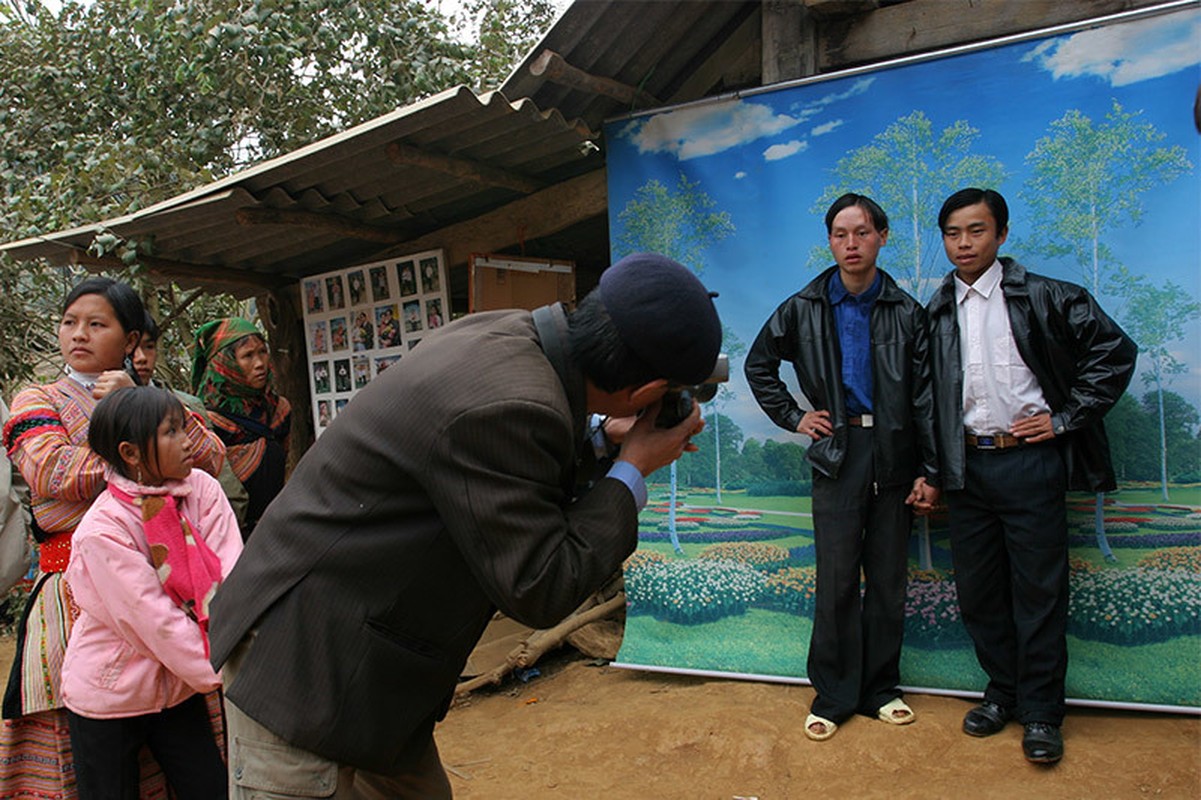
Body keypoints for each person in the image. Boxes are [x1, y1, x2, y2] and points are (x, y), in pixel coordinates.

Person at [207, 252, 722, 798]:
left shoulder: (507, 334)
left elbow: (500, 477)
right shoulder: (512, 404)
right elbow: (540, 583)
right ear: (645, 393)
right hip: (306, 669)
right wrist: (633, 469)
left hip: (372, 666)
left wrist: (601, 442)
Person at [926, 188, 1136, 764]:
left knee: (1039, 595)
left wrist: (1065, 418)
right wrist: (932, 470)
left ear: (1001, 235)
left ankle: (1042, 713)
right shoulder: (938, 310)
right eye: (952, 233)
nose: (963, 243)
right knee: (979, 594)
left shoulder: (1048, 296)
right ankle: (1003, 693)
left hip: (1029, 464)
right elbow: (927, 400)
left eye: (976, 231)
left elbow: (1115, 353)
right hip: (967, 468)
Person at [0, 277, 226, 797]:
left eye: (96, 324)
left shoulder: (152, 397)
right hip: (78, 599)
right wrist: (152, 438)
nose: (77, 334)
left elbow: (212, 457)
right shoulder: (37, 397)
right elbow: (52, 474)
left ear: (129, 341)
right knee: (96, 750)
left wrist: (140, 402)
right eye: (68, 322)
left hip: (170, 589)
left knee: (184, 736)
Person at [745, 194, 938, 742]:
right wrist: (795, 416)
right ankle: (832, 695)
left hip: (896, 455)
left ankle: (881, 689)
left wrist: (929, 469)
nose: (850, 244)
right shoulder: (804, 305)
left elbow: (926, 396)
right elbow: (759, 365)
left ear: (881, 236)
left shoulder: (906, 311)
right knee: (835, 580)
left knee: (887, 581)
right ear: (830, 241)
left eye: (861, 233)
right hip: (838, 454)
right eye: (839, 234)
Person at [62, 386, 242, 798]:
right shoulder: (102, 530)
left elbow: (231, 575)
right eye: (171, 431)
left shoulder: (202, 490)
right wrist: (230, 673)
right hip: (110, 696)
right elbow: (152, 620)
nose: (186, 441)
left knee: (210, 789)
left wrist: (237, 652)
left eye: (183, 428)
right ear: (130, 453)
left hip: (179, 687)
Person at [133, 311, 250, 527]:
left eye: (149, 347)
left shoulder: (188, 405)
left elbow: (228, 487)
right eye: (131, 348)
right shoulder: (97, 411)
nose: (140, 357)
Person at [191, 318, 291, 540]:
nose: (260, 363)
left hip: (277, 532)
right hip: (230, 538)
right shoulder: (204, 424)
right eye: (248, 356)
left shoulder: (280, 411)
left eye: (262, 352)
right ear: (225, 364)